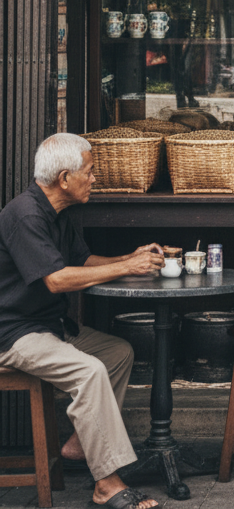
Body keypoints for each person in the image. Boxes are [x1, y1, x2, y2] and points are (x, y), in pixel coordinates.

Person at [0, 134, 164, 509]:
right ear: (64, 178)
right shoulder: (24, 214)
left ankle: (79, 444)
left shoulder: (57, 213)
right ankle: (106, 484)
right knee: (89, 371)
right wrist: (127, 267)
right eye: (89, 172)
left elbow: (83, 262)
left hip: (49, 327)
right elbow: (56, 279)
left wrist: (130, 257)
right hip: (13, 334)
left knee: (118, 352)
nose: (94, 179)